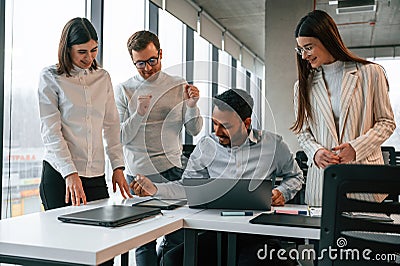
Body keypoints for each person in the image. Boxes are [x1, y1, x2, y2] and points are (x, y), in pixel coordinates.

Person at [132, 88, 303, 266]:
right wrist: (155, 189)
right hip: (215, 231)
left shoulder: (273, 145)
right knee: (173, 260)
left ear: (246, 123)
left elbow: (295, 176)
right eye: (214, 123)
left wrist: (282, 192)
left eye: (225, 126)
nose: (217, 131)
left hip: (258, 233)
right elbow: (188, 187)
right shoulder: (207, 146)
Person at [114, 30, 203, 266]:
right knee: (144, 241)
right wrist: (139, 114)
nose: (148, 68)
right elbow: (120, 136)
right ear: (133, 61)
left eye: (152, 60)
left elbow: (194, 130)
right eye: (140, 63)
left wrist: (193, 106)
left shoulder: (177, 85)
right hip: (139, 174)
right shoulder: (124, 89)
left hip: (172, 169)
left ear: (161, 54)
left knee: (176, 236)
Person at [291, 10, 396, 207]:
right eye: (300, 50)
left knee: (363, 236)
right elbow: (302, 132)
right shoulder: (302, 86)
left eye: (309, 47)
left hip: (364, 183)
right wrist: (315, 152)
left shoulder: (370, 73)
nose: (304, 55)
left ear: (326, 40)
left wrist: (356, 149)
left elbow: (386, 122)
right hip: (321, 185)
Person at [38, 17, 132, 211]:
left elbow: (112, 125)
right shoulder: (50, 77)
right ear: (67, 48)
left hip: (95, 175)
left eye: (94, 50)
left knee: (101, 238)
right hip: (60, 176)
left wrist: (118, 167)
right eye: (82, 51)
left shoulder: (103, 77)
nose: (89, 58)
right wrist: (70, 173)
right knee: (62, 240)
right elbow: (51, 132)